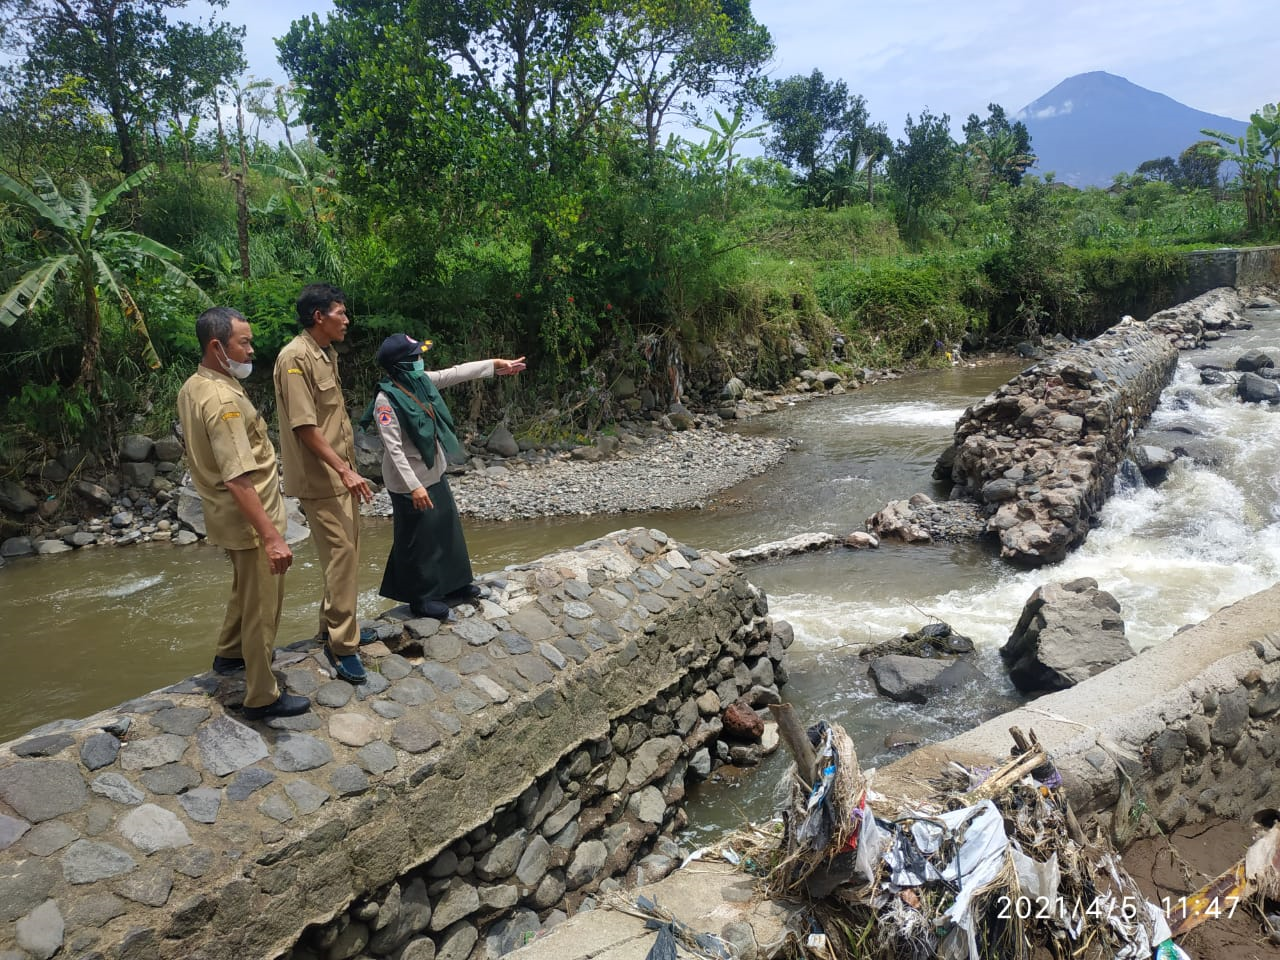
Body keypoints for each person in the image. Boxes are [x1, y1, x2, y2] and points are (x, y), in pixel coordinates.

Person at [177, 307, 310, 720]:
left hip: (226, 516)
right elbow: (238, 476)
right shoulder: (222, 400)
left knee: (244, 590)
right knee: (262, 606)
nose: (252, 349)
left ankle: (229, 655)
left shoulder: (196, 386)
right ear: (217, 346)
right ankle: (262, 695)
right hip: (250, 520)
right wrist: (272, 537)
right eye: (244, 342)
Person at [361, 334, 525, 618]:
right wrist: (414, 487)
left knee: (446, 530)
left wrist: (495, 365)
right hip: (408, 481)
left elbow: (455, 373)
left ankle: (454, 585)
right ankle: (421, 597)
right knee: (417, 539)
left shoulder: (420, 382)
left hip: (433, 471)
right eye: (414, 358)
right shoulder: (385, 402)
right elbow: (394, 449)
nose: (420, 362)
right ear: (401, 365)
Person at [273, 283, 374, 685]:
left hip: (339, 472)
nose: (347, 320)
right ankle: (342, 646)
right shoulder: (294, 358)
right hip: (322, 477)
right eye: (341, 313)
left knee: (346, 553)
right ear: (319, 316)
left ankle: (334, 627)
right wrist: (345, 471)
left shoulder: (325, 354)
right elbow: (305, 427)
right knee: (341, 555)